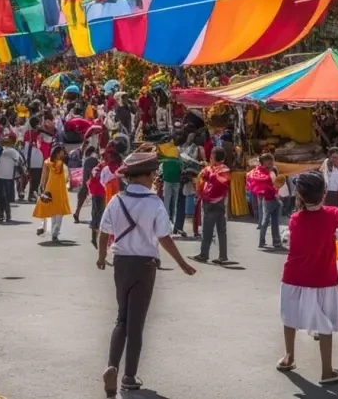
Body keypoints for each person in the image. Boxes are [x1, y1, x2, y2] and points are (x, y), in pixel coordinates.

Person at [96, 152, 196, 397]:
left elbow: (103, 232)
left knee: (121, 319)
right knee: (136, 322)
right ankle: (129, 376)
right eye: (152, 174)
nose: (154, 179)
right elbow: (163, 237)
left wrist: (100, 257)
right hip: (145, 265)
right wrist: (182, 263)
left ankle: (112, 366)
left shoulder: (116, 201)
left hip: (121, 263)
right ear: (143, 176)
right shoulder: (154, 203)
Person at [277, 171, 338, 385]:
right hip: (323, 278)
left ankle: (289, 357)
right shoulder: (333, 214)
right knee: (325, 325)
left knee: (289, 317)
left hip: (293, 276)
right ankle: (327, 371)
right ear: (324, 193)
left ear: (300, 196)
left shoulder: (295, 218)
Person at [191, 147, 232, 265]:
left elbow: (202, 182)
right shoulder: (225, 170)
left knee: (207, 230)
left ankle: (204, 254)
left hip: (209, 203)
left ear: (212, 157)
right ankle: (223, 256)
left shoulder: (208, 170)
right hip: (221, 203)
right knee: (221, 230)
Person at [34, 145, 72, 243]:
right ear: (58, 153)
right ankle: (55, 233)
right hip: (60, 191)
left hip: (50, 190)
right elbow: (66, 178)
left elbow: (43, 176)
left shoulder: (47, 163)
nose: (63, 154)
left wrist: (41, 186)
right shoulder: (62, 165)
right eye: (62, 152)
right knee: (59, 212)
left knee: (52, 211)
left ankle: (52, 232)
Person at [249, 153, 281, 249]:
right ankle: (261, 242)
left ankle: (277, 242)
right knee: (265, 220)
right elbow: (258, 183)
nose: (271, 163)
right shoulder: (259, 172)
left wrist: (276, 192)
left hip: (275, 197)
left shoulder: (273, 170)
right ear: (263, 163)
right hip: (265, 198)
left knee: (275, 221)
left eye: (272, 161)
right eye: (269, 161)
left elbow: (277, 182)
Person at [0, 133, 23, 223]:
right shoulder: (14, 152)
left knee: (1, 197)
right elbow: (20, 163)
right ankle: (7, 215)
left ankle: (2, 216)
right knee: (6, 197)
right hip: (8, 177)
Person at [75, 146, 99, 224]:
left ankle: (77, 212)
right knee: (95, 199)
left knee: (82, 195)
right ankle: (94, 218)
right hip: (91, 179)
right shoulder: (93, 159)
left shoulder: (86, 158)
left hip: (84, 180)